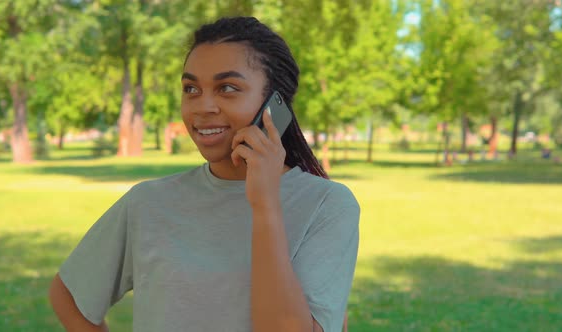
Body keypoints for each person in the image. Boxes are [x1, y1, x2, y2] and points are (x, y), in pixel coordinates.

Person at [49, 16, 359, 332]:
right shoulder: (147, 203)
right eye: (191, 88)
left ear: (274, 104)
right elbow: (69, 295)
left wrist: (265, 206)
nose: (202, 106)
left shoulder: (328, 206)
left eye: (227, 88)